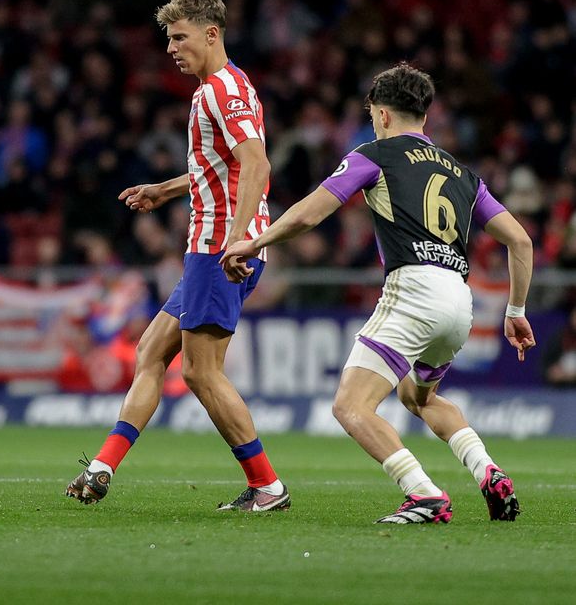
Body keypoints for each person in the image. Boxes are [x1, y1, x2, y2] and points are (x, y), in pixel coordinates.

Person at [221, 63, 534, 523]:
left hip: (413, 290)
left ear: (382, 114)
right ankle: (487, 469)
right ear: (423, 115)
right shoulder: (464, 174)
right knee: (420, 398)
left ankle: (424, 494)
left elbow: (310, 213)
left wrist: (255, 241)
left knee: (350, 405)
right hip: (458, 299)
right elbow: (520, 240)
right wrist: (516, 309)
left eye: (372, 115)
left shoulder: (375, 155)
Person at [64, 0, 289, 512]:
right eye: (169, 38)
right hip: (210, 247)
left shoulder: (221, 90)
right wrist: (165, 189)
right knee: (150, 352)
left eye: (180, 37)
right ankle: (102, 467)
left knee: (200, 372)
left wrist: (238, 240)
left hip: (219, 248)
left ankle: (267, 486)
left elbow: (257, 164)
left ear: (211, 34)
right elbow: (221, 166)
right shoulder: (224, 87)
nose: (171, 48)